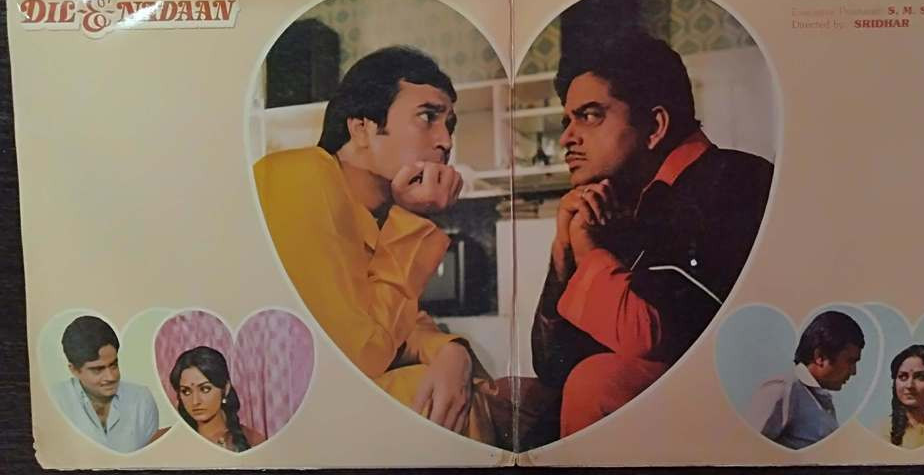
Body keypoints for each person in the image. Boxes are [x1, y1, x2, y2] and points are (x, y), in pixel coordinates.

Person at [530, 29, 774, 440]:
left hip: (725, 407)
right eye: (566, 120)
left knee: (597, 382)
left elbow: (657, 343)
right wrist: (564, 252)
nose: (567, 137)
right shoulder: (621, 205)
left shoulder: (736, 180)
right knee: (504, 397)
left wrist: (588, 252)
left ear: (655, 126)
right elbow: (552, 365)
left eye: (590, 115)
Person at [253, 46, 495, 444]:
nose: (445, 141)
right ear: (362, 128)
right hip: (281, 412)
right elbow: (360, 355)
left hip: (324, 407)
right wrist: (415, 218)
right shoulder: (302, 177)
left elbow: (402, 326)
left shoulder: (374, 215)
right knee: (435, 398)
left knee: (453, 387)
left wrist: (453, 352)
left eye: (449, 124)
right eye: (428, 117)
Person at [747, 310, 864, 449]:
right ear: (820, 356)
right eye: (850, 361)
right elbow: (745, 449)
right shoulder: (782, 390)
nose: (854, 372)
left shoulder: (818, 399)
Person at [50, 315, 159, 453]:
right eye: (98, 369)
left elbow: (151, 457)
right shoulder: (54, 401)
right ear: (74, 370)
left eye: (114, 365)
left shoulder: (142, 399)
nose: (111, 377)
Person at [169, 346, 265, 452]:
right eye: (186, 391)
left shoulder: (252, 441)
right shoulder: (170, 440)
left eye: (205, 389)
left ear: (225, 389)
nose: (195, 401)